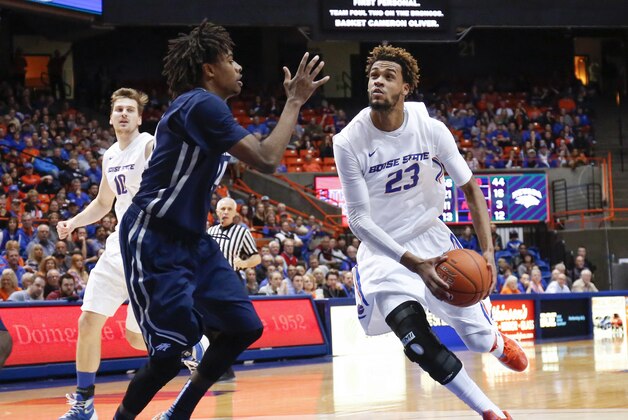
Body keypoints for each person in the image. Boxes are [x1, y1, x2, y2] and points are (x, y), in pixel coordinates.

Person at [115, 21, 328, 420]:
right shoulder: (200, 103)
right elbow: (267, 158)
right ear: (209, 68)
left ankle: (179, 411)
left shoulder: (205, 110)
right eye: (230, 59)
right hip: (154, 236)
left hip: (193, 241)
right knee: (167, 355)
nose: (239, 67)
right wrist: (295, 101)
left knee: (244, 327)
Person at [332, 44, 525, 420]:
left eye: (389, 76)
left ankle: (495, 342)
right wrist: (412, 263)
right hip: (384, 251)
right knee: (416, 341)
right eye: (373, 75)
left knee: (476, 338)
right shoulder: (348, 141)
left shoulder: (431, 129)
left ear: (405, 88)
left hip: (430, 236)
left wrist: (488, 253)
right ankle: (489, 411)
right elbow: (358, 221)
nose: (378, 82)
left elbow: (471, 189)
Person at [57, 88, 156, 420]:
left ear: (140, 118)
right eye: (119, 110)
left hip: (149, 249)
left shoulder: (149, 145)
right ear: (112, 117)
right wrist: (72, 222)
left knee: (135, 339)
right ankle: (84, 405)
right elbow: (103, 203)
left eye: (130, 109)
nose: (124, 114)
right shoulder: (110, 154)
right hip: (118, 247)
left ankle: (187, 344)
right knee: (88, 321)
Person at [206, 196, 261, 381]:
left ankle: (224, 368)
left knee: (228, 327)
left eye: (229, 209)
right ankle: (223, 368)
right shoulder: (210, 232)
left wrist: (244, 263)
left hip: (230, 282)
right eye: (223, 209)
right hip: (210, 282)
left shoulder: (241, 232)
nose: (226, 212)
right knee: (209, 327)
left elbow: (256, 258)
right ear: (217, 212)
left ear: (235, 212)